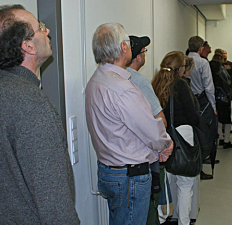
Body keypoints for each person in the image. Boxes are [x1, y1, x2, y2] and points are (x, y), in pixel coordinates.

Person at [0, 4, 80, 224]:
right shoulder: (30, 104)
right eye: (40, 27)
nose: (47, 31)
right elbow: (54, 201)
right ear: (27, 46)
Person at [85, 23, 173, 225]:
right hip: (129, 177)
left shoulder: (96, 80)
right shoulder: (122, 88)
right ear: (124, 48)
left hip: (110, 171)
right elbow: (151, 131)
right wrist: (166, 145)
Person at [152, 51, 200, 225]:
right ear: (180, 69)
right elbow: (193, 116)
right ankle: (184, 222)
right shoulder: (181, 85)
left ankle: (164, 218)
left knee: (166, 184)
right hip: (183, 136)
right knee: (185, 186)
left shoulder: (155, 83)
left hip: (161, 139)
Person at [125, 35, 167, 225]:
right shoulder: (140, 81)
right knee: (149, 209)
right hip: (144, 159)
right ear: (139, 57)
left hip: (122, 160)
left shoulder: (114, 77)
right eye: (144, 51)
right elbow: (160, 121)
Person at [188, 36, 218, 180]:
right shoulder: (203, 63)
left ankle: (195, 162)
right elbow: (209, 87)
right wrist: (213, 106)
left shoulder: (184, 60)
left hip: (188, 100)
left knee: (192, 134)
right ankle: (201, 163)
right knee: (204, 133)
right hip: (201, 100)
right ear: (200, 48)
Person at [210, 54, 232, 149]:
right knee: (227, 121)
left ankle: (220, 137)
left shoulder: (211, 78)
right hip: (224, 100)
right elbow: (228, 87)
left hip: (215, 101)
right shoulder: (222, 77)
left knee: (218, 120)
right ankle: (226, 140)